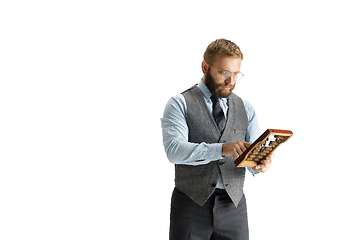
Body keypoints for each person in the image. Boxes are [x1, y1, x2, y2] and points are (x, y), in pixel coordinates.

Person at [161, 38, 274, 240]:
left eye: (236, 74)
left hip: (234, 206)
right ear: (205, 67)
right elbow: (174, 150)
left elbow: (253, 153)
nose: (231, 81)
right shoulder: (179, 103)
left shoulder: (245, 107)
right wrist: (222, 149)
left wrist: (259, 164)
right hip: (190, 204)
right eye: (225, 73)